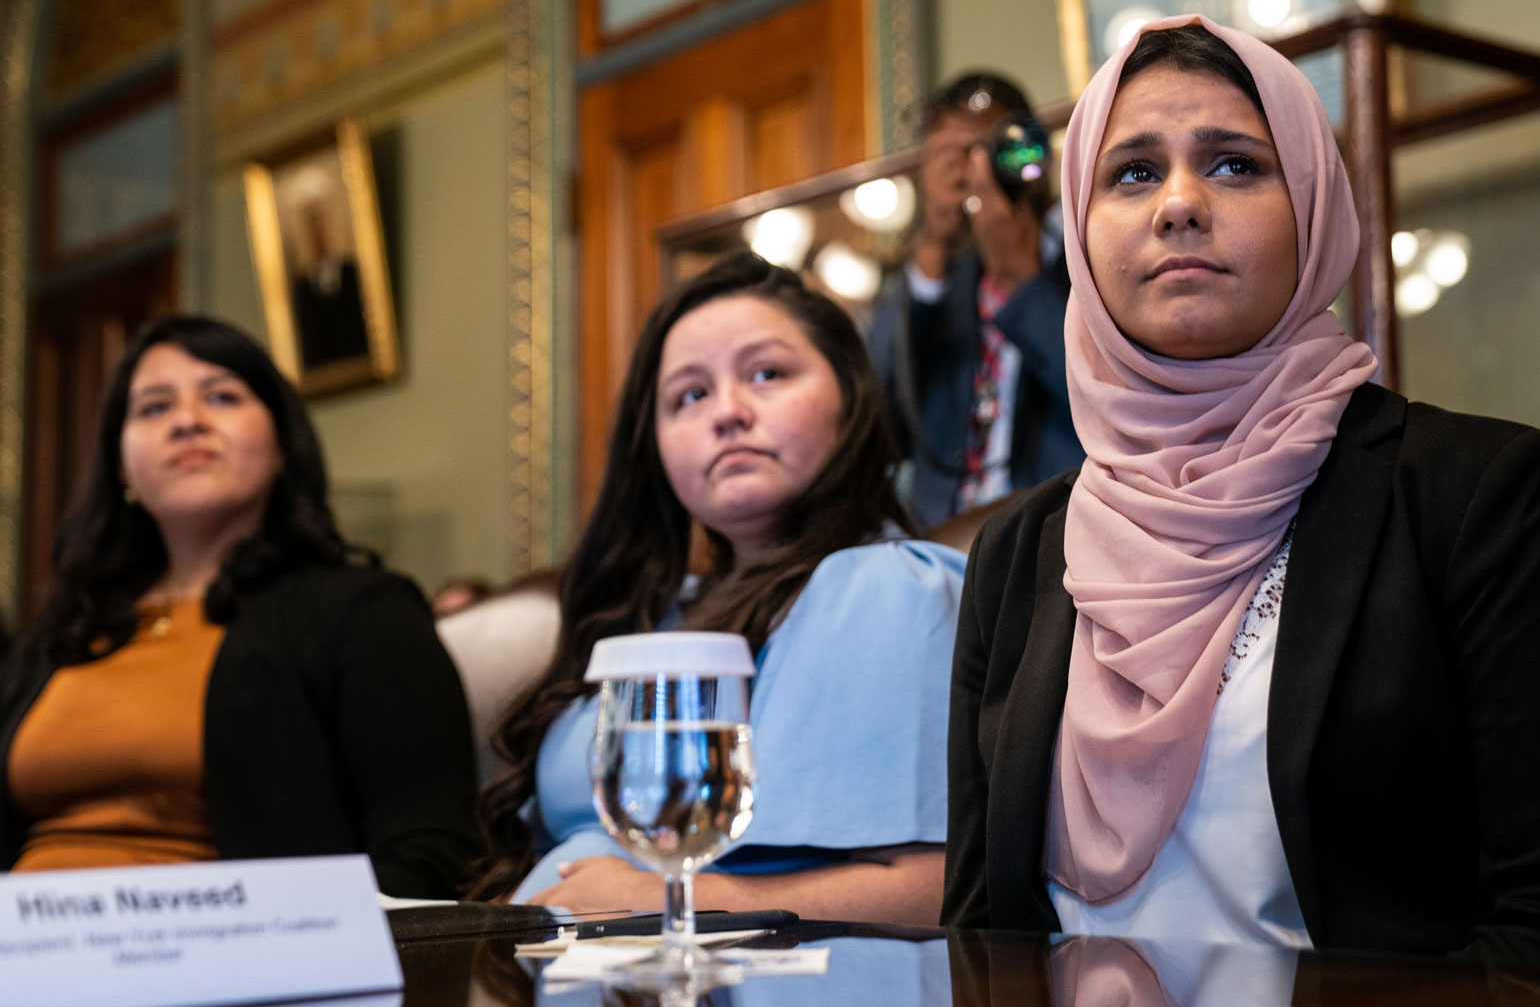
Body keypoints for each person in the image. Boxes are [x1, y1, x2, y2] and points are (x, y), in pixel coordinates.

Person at [942, 19, 1540, 967]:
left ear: (1317, 206)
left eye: (1237, 165)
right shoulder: (1022, 551)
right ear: (1079, 235)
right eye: (1130, 174)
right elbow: (980, 933)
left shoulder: (1474, 497)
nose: (1179, 205)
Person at [469, 251, 964, 924]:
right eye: (690, 396)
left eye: (767, 374)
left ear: (851, 395)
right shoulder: (655, 610)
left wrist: (674, 902)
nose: (727, 413)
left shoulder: (878, 588)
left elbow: (934, 892)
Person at [0, 316, 477, 897]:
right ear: (122, 466)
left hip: (230, 963)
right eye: (153, 407)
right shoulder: (61, 635)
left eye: (222, 397)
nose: (187, 421)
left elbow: (428, 852)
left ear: (281, 444)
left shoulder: (361, 612)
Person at [867, 72, 1082, 529]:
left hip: (1056, 530)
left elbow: (1108, 401)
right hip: (944, 534)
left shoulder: (1086, 259)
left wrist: (1022, 278)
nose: (975, 167)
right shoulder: (942, 280)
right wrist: (931, 248)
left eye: (993, 147)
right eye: (954, 153)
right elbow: (877, 418)